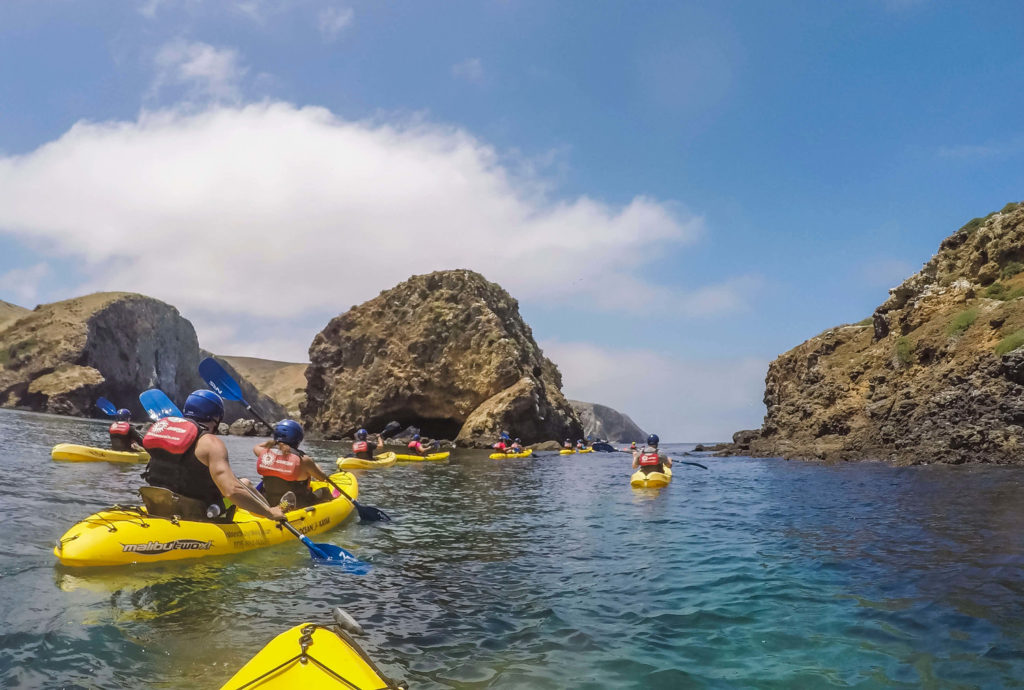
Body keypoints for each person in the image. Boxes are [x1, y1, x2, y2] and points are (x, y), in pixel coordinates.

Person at [141, 389, 284, 522]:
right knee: (243, 485)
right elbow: (232, 491)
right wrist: (269, 513)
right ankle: (271, 515)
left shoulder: (163, 433)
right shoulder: (210, 443)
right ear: (217, 418)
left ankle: (269, 511)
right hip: (195, 513)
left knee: (243, 483)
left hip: (157, 504)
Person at [254, 419, 331, 508]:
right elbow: (322, 478)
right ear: (298, 439)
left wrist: (275, 442)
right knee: (325, 491)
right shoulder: (304, 460)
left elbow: (257, 446)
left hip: (269, 501)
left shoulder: (263, 452)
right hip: (298, 503)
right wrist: (318, 468)